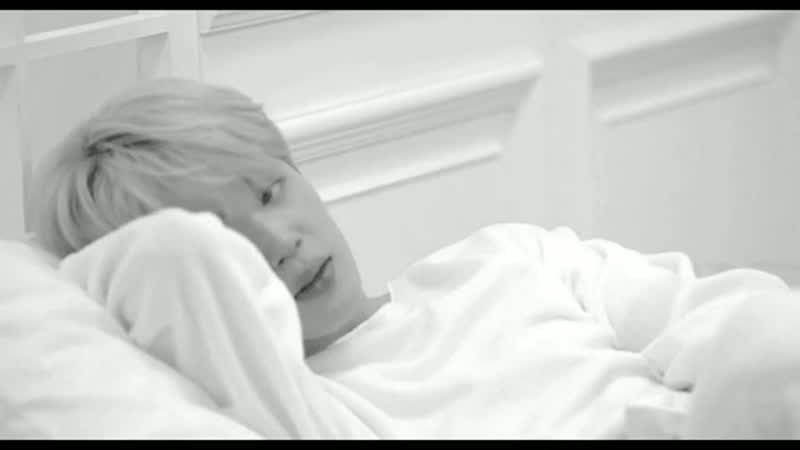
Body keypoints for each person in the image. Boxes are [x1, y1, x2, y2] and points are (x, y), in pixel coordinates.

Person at [31, 78, 800, 439]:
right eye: (228, 246)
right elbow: (174, 260)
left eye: (268, 191)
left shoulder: (508, 259)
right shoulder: (298, 412)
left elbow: (717, 312)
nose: (277, 243)